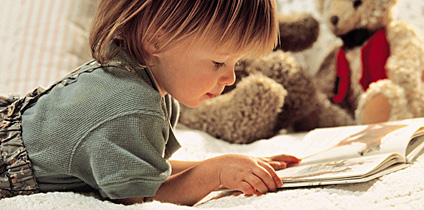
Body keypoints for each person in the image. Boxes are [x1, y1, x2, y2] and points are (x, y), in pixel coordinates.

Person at [0, 0, 301, 206]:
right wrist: (216, 174)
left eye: (236, 62)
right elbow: (140, 197)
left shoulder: (134, 76)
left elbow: (144, 168)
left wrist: (234, 169)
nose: (231, 78)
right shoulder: (129, 107)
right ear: (156, 39)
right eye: (219, 61)